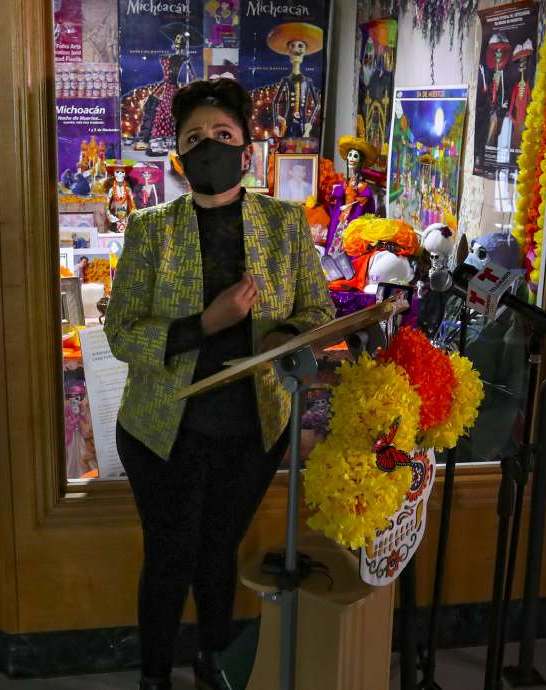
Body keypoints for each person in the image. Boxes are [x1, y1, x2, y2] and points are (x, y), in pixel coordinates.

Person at [105, 79, 334, 690]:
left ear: (247, 150)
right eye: (195, 138)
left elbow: (319, 310)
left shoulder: (285, 224)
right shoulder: (150, 229)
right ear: (179, 157)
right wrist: (206, 324)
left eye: (224, 134)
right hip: (162, 428)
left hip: (253, 427)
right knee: (169, 555)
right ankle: (155, 676)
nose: (210, 146)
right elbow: (121, 332)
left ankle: (213, 662)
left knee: (219, 550)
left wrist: (280, 335)